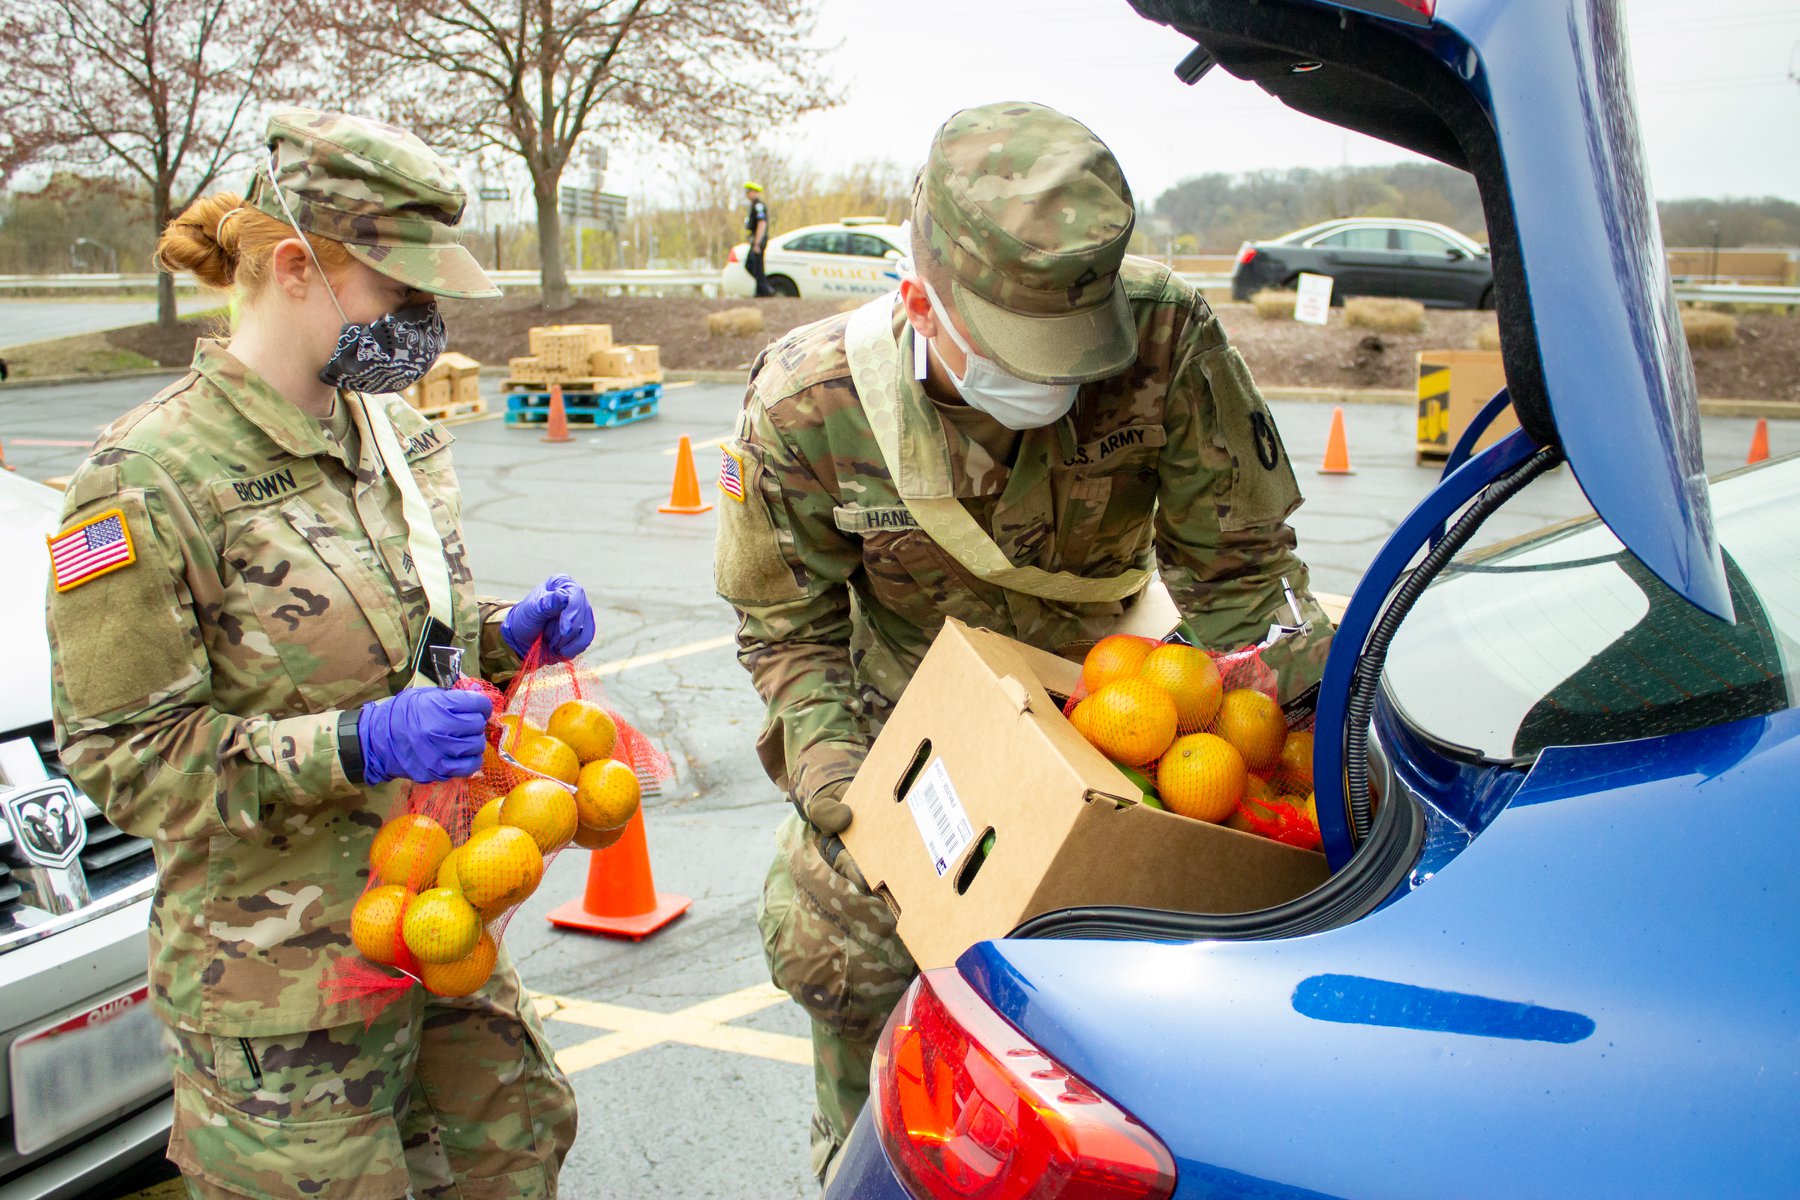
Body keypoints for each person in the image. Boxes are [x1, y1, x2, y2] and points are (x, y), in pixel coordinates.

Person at [714, 100, 1336, 1186]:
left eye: (1071, 352)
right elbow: (787, 629)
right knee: (875, 1051)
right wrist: (844, 793)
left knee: (1101, 1076)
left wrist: (1306, 728)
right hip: (905, 749)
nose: (1055, 383)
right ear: (919, 300)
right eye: (1020, 353)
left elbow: (1246, 577)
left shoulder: (1166, 343)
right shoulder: (811, 409)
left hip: (1122, 738)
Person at [46, 109, 586, 1199]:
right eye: (401, 296)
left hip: (439, 921)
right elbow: (125, 758)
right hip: (283, 996)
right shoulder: (146, 477)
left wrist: (500, 633)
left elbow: (407, 633)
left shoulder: (390, 431)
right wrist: (354, 745)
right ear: (298, 268)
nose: (424, 326)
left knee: (517, 1150)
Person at [743, 181, 773, 297]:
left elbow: (762, 223)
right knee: (752, 265)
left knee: (757, 266)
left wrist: (757, 242)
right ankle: (762, 289)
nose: (747, 194)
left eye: (749, 192)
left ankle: (765, 290)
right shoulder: (753, 205)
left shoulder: (758, 206)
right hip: (755, 240)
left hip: (758, 240)